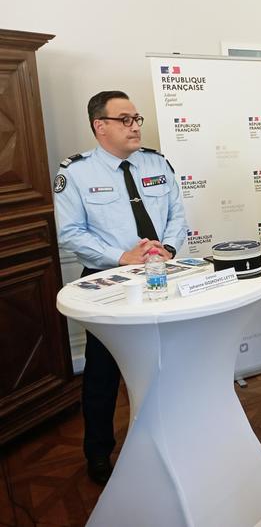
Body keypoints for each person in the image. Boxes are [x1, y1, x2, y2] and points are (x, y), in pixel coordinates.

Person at [53, 90, 188, 485]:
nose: (136, 126)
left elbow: (177, 213)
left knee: (167, 358)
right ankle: (98, 451)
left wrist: (169, 247)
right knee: (102, 371)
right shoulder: (76, 173)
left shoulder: (156, 163)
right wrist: (121, 256)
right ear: (100, 127)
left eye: (137, 118)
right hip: (108, 280)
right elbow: (70, 232)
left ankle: (170, 436)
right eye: (125, 120)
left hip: (163, 274)